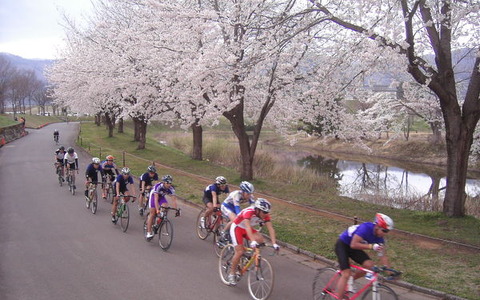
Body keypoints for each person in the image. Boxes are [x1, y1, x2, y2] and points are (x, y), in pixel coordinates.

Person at [334, 213, 394, 298]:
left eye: (387, 231)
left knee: (370, 265)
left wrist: (390, 271)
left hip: (354, 248)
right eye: (384, 230)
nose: (385, 233)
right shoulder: (366, 228)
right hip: (343, 245)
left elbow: (383, 255)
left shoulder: (380, 238)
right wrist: (371, 246)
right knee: (346, 274)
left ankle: (351, 280)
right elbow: (353, 244)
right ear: (377, 226)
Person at [227, 198, 279, 285]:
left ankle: (250, 259)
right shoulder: (249, 212)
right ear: (257, 210)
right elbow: (247, 227)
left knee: (260, 240)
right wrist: (252, 241)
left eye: (267, 212)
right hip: (237, 228)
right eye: (264, 212)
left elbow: (271, 228)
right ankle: (231, 274)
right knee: (240, 251)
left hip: (248, 229)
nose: (266, 214)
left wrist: (274, 243)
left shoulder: (265, 215)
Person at [145, 175, 180, 240]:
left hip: (161, 197)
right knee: (152, 213)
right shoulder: (158, 186)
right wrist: (157, 209)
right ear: (164, 182)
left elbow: (174, 200)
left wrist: (176, 210)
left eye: (170, 183)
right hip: (153, 197)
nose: (169, 184)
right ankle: (148, 233)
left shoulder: (171, 188)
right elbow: (156, 199)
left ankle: (158, 221)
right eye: (167, 183)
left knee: (166, 207)